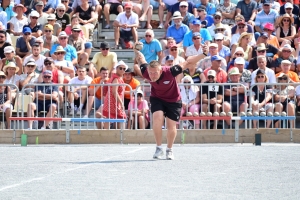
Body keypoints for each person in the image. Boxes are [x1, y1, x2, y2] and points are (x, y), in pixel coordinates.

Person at [134, 47, 188, 160]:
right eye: (150, 73)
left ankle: (169, 149)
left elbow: (188, 62)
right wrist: (136, 51)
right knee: (157, 117)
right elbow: (141, 60)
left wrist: (203, 54)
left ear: (161, 70)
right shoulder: (145, 72)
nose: (152, 75)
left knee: (171, 125)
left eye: (155, 73)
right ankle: (159, 148)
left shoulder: (170, 71)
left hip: (174, 99)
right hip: (157, 98)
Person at [102, 60, 128, 129]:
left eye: (124, 69)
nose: (122, 70)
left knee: (118, 117)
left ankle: (119, 134)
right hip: (112, 100)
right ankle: (112, 134)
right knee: (117, 117)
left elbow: (119, 92)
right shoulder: (116, 78)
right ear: (116, 68)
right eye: (120, 68)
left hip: (115, 100)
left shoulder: (118, 78)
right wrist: (121, 103)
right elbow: (114, 92)